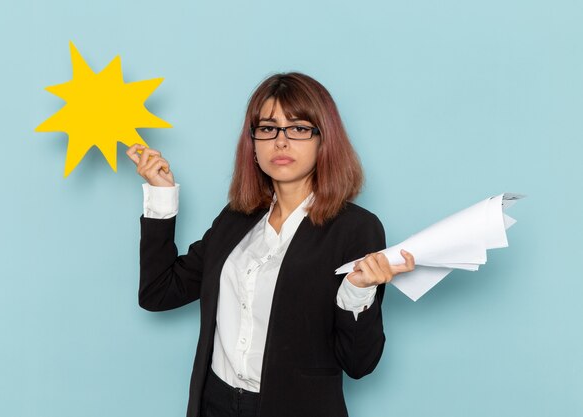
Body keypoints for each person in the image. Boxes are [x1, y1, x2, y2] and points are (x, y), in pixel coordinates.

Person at [126, 72, 415, 417]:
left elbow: (359, 363)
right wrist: (161, 195)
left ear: (325, 140)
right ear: (253, 143)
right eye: (267, 128)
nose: (280, 141)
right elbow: (159, 293)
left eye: (298, 128)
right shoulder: (236, 218)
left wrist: (357, 291)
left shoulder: (356, 229)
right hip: (214, 403)